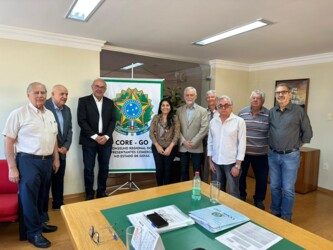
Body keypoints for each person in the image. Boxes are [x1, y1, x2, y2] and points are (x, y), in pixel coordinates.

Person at [3, 82, 60, 248]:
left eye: (43, 92)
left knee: (43, 196)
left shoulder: (49, 113)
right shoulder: (18, 113)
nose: (40, 95)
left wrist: (56, 158)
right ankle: (33, 233)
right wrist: (12, 168)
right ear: (28, 95)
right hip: (28, 161)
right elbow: (8, 141)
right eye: (36, 92)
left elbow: (54, 138)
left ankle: (41, 223)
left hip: (47, 160)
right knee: (29, 199)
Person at [269, 83, 313, 222]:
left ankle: (286, 215)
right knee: (275, 186)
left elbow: (308, 133)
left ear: (289, 94)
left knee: (287, 188)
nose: (280, 95)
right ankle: (275, 211)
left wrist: (296, 145)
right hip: (273, 155)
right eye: (278, 93)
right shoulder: (272, 111)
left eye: (283, 92)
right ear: (275, 96)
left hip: (290, 156)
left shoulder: (298, 111)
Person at [77, 78, 116, 200]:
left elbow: (113, 121)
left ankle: (101, 192)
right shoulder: (83, 101)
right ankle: (89, 194)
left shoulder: (110, 102)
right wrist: (95, 137)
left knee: (104, 168)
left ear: (105, 89)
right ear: (92, 87)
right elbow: (81, 121)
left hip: (106, 140)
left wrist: (106, 136)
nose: (99, 89)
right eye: (97, 86)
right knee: (89, 168)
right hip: (89, 141)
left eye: (102, 87)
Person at [207, 95, 246, 198]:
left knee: (233, 191)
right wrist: (210, 161)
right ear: (217, 107)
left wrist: (237, 165)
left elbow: (242, 144)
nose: (223, 108)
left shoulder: (239, 121)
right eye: (220, 106)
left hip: (231, 163)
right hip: (216, 162)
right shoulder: (213, 122)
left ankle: (234, 212)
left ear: (231, 107)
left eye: (226, 105)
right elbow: (210, 142)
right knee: (217, 191)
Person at [238, 90, 269, 209]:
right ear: (250, 99)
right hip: (243, 153)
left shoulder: (268, 114)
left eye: (258, 98)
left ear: (263, 101)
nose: (255, 100)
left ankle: (259, 200)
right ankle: (241, 195)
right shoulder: (242, 113)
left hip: (261, 153)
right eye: (253, 98)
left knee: (261, 179)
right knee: (241, 176)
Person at [45, 84, 73, 210]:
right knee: (45, 184)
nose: (65, 97)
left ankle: (58, 204)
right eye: (61, 94)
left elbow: (69, 130)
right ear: (52, 94)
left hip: (62, 152)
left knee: (59, 179)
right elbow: (44, 132)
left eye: (66, 94)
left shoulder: (67, 110)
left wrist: (66, 146)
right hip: (46, 153)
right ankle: (42, 211)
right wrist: (54, 148)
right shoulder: (44, 107)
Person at [177, 86, 208, 181]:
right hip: (183, 146)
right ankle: (185, 191)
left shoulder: (203, 111)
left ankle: (198, 191)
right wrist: (183, 141)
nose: (189, 97)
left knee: (197, 170)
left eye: (191, 95)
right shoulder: (179, 110)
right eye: (187, 95)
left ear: (196, 96)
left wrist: (193, 142)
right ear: (184, 96)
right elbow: (176, 128)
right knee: (183, 170)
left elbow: (205, 128)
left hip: (197, 146)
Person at [149, 98, 180, 185]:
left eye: (167, 105)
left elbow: (176, 134)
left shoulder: (175, 118)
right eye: (163, 105)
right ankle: (159, 188)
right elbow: (151, 133)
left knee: (167, 169)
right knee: (159, 169)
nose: (165, 107)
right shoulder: (156, 117)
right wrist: (157, 146)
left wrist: (170, 148)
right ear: (160, 107)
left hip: (171, 147)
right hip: (157, 147)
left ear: (170, 107)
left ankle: (166, 190)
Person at [202, 90, 219, 182]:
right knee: (205, 166)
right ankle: (204, 185)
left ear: (216, 99)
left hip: (217, 142)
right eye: (208, 97)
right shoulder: (203, 112)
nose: (210, 99)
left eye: (212, 97)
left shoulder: (221, 111)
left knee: (215, 166)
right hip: (205, 141)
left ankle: (214, 186)